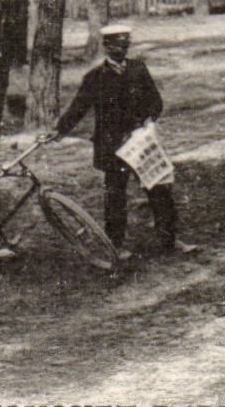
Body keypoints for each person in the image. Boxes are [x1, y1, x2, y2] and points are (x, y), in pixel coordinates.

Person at [55, 24, 195, 258]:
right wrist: (59, 130)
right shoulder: (95, 78)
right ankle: (116, 246)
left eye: (125, 44)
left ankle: (170, 241)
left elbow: (155, 101)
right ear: (106, 46)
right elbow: (78, 107)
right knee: (115, 195)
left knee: (159, 190)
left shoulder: (138, 69)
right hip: (112, 146)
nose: (122, 49)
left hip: (140, 143)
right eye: (117, 45)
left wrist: (146, 122)